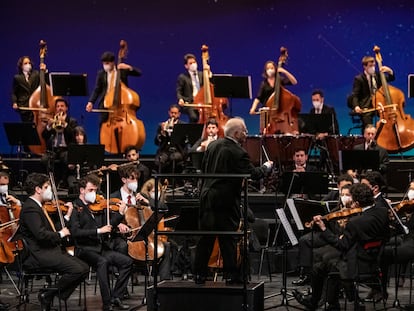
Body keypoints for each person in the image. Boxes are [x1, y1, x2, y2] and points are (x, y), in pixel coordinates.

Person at [193, 117, 273, 284]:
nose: (246, 134)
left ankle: (199, 275)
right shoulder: (238, 152)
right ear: (237, 134)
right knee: (228, 239)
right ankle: (231, 276)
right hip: (225, 201)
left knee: (205, 239)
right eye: (244, 131)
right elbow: (253, 173)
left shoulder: (212, 145)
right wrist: (266, 167)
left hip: (207, 197)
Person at [293, 183, 390, 310]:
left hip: (357, 263)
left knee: (322, 264)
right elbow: (387, 235)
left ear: (355, 202)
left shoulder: (355, 222)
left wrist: (323, 228)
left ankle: (317, 301)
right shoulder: (382, 211)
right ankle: (331, 302)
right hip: (375, 258)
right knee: (326, 259)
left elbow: (342, 245)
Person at [18, 173, 89, 311]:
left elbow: (51, 230)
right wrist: (61, 234)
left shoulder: (39, 206)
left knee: (85, 268)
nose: (50, 190)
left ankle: (49, 294)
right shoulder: (30, 208)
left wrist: (67, 216)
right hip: (39, 254)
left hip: (50, 250)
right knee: (77, 270)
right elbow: (40, 234)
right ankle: (48, 294)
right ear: (38, 189)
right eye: (47, 187)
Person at [70, 174, 132, 311]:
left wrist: (120, 214)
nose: (95, 194)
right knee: (102, 262)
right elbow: (75, 232)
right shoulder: (75, 207)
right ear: (82, 190)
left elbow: (108, 226)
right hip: (84, 249)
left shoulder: (97, 207)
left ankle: (116, 296)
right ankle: (107, 303)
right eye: (91, 190)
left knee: (127, 262)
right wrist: (98, 231)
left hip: (99, 248)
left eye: (96, 190)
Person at [85, 51, 142, 123]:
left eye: (107, 63)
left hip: (120, 105)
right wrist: (91, 102)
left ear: (113, 62)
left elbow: (139, 73)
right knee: (103, 129)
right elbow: (97, 89)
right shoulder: (101, 74)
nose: (105, 65)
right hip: (106, 105)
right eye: (104, 64)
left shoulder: (121, 71)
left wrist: (129, 67)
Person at [349, 55, 395, 130]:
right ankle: (369, 138)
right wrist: (356, 106)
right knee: (367, 122)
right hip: (367, 106)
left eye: (374, 65)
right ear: (365, 66)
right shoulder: (359, 79)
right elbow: (355, 95)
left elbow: (391, 78)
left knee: (387, 118)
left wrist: (390, 71)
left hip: (379, 105)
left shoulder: (378, 75)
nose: (373, 67)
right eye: (370, 66)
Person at [41, 98, 78, 187]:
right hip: (53, 149)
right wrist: (49, 126)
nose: (60, 108)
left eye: (62, 106)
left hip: (65, 149)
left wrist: (65, 125)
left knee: (66, 158)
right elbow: (44, 136)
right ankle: (50, 181)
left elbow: (73, 137)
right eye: (58, 106)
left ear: (66, 108)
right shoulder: (52, 119)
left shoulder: (72, 121)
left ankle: (65, 182)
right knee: (44, 159)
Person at [11, 56, 45, 123]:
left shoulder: (36, 74)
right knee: (27, 127)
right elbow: (14, 92)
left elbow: (44, 82)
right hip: (24, 106)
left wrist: (44, 71)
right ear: (21, 66)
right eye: (25, 63)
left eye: (29, 63)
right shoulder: (17, 78)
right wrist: (14, 102)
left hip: (35, 106)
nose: (28, 65)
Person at [154, 104, 186, 173]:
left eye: (175, 113)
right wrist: (162, 133)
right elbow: (156, 142)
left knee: (173, 158)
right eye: (172, 113)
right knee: (160, 160)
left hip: (178, 150)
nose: (173, 115)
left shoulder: (183, 125)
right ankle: (161, 181)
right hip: (165, 151)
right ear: (169, 113)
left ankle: (174, 181)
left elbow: (184, 141)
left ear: (179, 114)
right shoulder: (162, 125)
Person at [176, 53, 205, 123]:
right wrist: (180, 99)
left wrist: (208, 73)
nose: (193, 64)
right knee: (194, 117)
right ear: (186, 66)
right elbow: (178, 91)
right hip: (190, 103)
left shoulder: (202, 74)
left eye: (194, 62)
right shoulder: (182, 77)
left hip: (203, 103)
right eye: (190, 63)